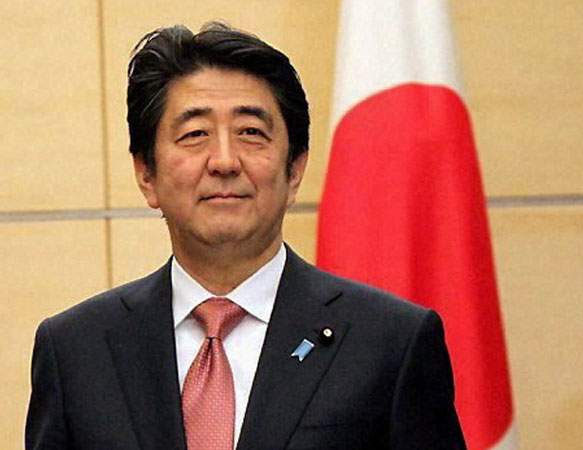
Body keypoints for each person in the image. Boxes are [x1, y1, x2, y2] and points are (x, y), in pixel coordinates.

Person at [26, 22, 466, 450]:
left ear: (294, 170)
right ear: (146, 174)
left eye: (251, 133)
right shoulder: (76, 350)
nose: (224, 161)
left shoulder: (390, 341)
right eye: (195, 134)